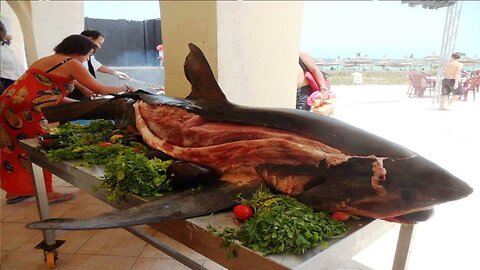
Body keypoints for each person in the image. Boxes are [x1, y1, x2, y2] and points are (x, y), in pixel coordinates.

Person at [0, 34, 136, 204]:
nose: (87, 58)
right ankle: (48, 193)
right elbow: (100, 89)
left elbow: (47, 93)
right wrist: (127, 88)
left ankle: (15, 192)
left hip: (9, 103)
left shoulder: (49, 59)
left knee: (14, 149)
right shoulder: (71, 63)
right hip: (27, 111)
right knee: (39, 147)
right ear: (81, 51)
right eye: (89, 54)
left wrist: (79, 105)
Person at [67, 29, 131, 100]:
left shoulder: (88, 55)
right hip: (75, 92)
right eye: (99, 43)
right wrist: (127, 88)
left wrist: (116, 73)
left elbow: (97, 66)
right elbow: (101, 90)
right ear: (90, 39)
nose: (99, 47)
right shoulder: (74, 57)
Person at [0, 20, 26, 93]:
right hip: (7, 84)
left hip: (20, 81)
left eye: (3, 29)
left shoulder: (4, 45)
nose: (2, 32)